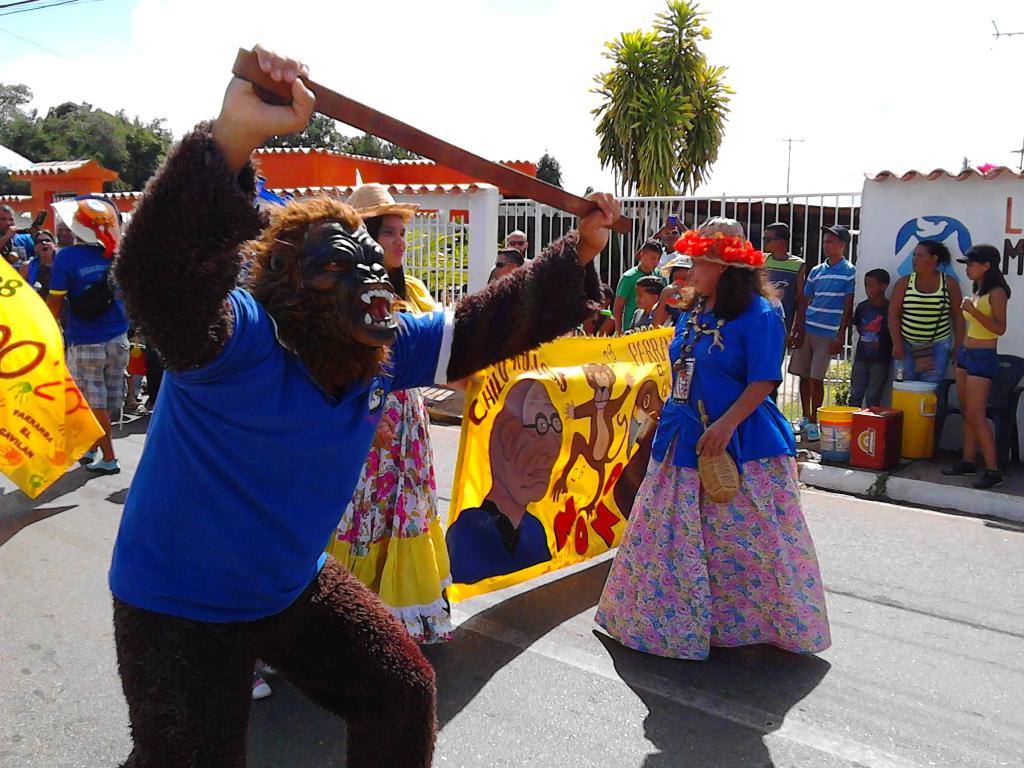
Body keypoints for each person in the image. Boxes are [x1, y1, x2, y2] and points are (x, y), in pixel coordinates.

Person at [106, 45, 617, 768]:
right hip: (178, 603)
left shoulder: (384, 346)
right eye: (341, 267)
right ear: (283, 279)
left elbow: (481, 326)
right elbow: (158, 274)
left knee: (400, 694)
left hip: (288, 583)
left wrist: (580, 251)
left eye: (374, 265)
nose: (373, 280)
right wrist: (231, 140)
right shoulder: (240, 339)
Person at [596, 217, 830, 660]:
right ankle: (666, 622)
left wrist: (725, 426)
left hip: (740, 440)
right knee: (671, 535)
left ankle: (747, 626)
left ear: (723, 266)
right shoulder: (697, 307)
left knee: (745, 542)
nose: (689, 271)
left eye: (699, 264)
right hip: (681, 434)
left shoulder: (760, 315)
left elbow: (763, 380)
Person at [328, 182, 453, 646]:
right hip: (365, 422)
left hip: (408, 422)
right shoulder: (342, 297)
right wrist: (361, 410)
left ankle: (403, 620)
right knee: (363, 515)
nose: (400, 241)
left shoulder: (413, 291)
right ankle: (355, 616)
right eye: (390, 233)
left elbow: (446, 348)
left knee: (409, 510)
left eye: (402, 232)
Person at [45, 196, 130, 475]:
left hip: (85, 339)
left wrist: (46, 329)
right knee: (109, 399)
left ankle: (109, 458)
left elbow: (55, 301)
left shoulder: (67, 257)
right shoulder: (120, 254)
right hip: (119, 337)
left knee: (93, 401)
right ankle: (92, 447)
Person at [446, 378, 558, 584]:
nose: (549, 454)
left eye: (555, 426)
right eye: (540, 426)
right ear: (507, 436)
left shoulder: (535, 529)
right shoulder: (469, 531)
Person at [944, 245, 1011, 489]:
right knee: (966, 411)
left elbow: (999, 328)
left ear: (986, 266)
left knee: (976, 413)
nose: (968, 269)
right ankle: (968, 459)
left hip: (984, 354)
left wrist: (972, 311)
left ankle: (993, 469)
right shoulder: (977, 291)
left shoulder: (997, 293)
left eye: (972, 264)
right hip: (967, 353)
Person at [788, 224, 856, 441]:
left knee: (817, 378)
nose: (826, 245)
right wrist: (798, 329)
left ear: (842, 245)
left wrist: (840, 336)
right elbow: (805, 301)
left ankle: (815, 420)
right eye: (825, 241)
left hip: (828, 334)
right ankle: (806, 417)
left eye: (831, 241)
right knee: (803, 375)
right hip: (808, 328)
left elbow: (848, 307)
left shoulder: (850, 272)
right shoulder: (817, 271)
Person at [888, 239, 964, 385]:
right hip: (907, 345)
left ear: (934, 259)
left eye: (920, 256)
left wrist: (958, 345)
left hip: (937, 346)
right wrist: (897, 343)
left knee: (931, 388)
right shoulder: (904, 283)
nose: (915, 260)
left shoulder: (949, 283)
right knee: (905, 387)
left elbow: (958, 316)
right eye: (914, 255)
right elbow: (893, 314)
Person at [849, 268, 893, 408]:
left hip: (881, 360)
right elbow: (858, 327)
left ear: (883, 286)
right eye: (866, 285)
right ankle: (852, 423)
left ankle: (869, 426)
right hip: (861, 358)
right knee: (855, 393)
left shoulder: (890, 308)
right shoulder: (862, 307)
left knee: (873, 396)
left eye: (871, 285)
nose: (868, 289)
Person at [762, 222, 805, 336]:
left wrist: (798, 324)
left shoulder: (798, 265)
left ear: (781, 242)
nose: (764, 242)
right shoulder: (762, 260)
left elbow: (800, 297)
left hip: (784, 320)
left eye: (767, 239)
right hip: (761, 316)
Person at [613, 239, 664, 334]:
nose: (656, 263)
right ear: (642, 254)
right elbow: (618, 307)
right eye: (653, 258)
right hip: (632, 329)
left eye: (658, 259)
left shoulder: (658, 275)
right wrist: (619, 331)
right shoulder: (628, 278)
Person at [653, 252, 693, 327]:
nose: (679, 283)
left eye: (684, 279)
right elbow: (656, 324)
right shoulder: (670, 300)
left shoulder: (700, 300)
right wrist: (664, 295)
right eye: (676, 279)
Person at [22, 229, 57, 297]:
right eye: (39, 241)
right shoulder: (26, 266)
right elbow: (22, 291)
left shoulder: (64, 264)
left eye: (47, 240)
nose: (44, 243)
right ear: (35, 248)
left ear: (55, 245)